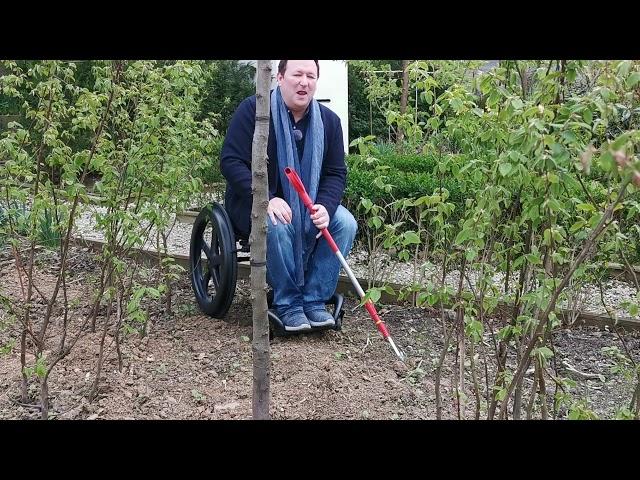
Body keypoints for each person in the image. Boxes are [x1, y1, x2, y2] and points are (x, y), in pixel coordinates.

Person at [220, 60, 357, 332]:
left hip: (310, 204)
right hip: (254, 202)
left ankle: (315, 300)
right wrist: (266, 197)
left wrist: (326, 207)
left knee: (346, 223)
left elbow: (335, 173)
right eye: (297, 74)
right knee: (277, 224)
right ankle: (288, 304)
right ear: (280, 77)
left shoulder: (329, 122)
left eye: (311, 76)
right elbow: (231, 161)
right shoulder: (254, 112)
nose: (304, 82)